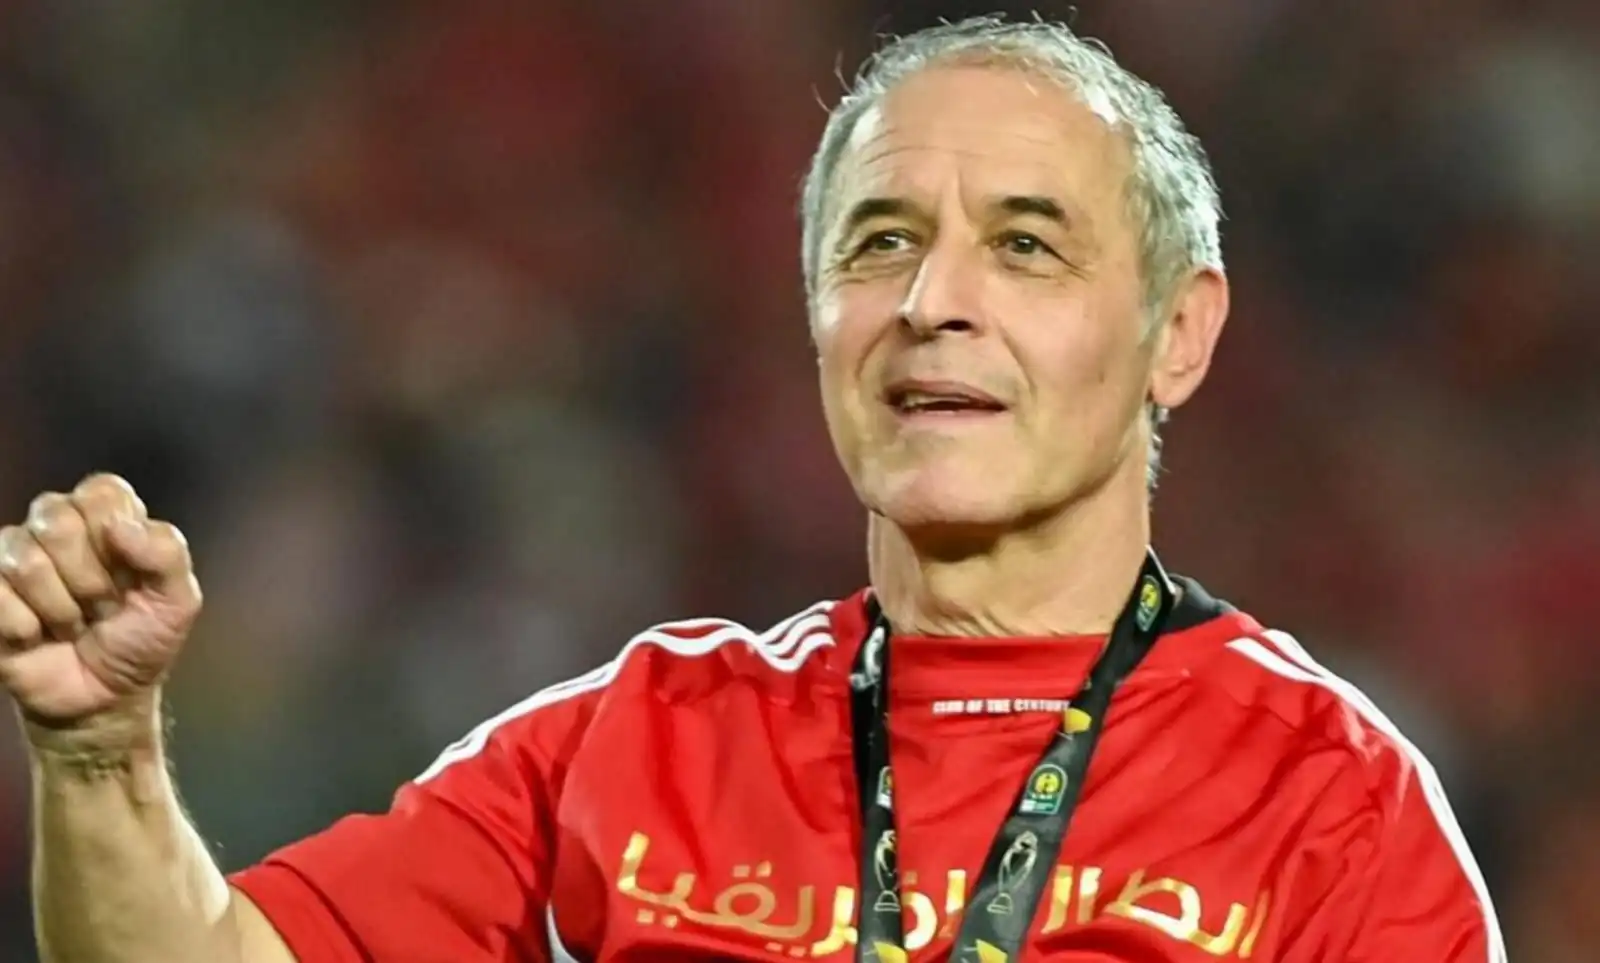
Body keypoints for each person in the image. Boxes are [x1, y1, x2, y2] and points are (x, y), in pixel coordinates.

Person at [3, 15, 1504, 963]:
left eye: (1026, 246)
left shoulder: (1330, 805)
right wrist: (98, 760)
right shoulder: (641, 740)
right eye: (879, 243)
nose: (932, 301)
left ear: (1180, 333)